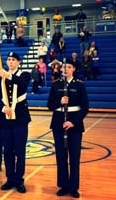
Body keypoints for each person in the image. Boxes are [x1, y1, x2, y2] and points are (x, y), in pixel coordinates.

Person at [47, 58, 89, 198]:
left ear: (74, 69)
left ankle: (74, 187)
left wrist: (74, 123)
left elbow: (85, 107)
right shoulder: (56, 85)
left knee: (74, 157)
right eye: (64, 67)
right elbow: (49, 105)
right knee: (61, 156)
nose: (66, 69)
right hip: (58, 123)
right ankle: (63, 185)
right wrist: (59, 101)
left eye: (69, 67)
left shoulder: (79, 85)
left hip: (74, 125)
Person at [0, 52, 31, 193]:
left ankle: (19, 180)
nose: (10, 62)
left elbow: (22, 86)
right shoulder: (2, 79)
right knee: (7, 150)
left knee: (19, 151)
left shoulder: (24, 75)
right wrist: (3, 108)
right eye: (8, 60)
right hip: (5, 121)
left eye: (13, 60)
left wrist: (8, 76)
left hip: (20, 120)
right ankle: (10, 178)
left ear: (18, 62)